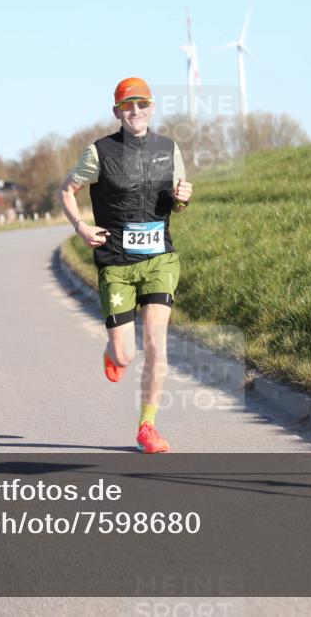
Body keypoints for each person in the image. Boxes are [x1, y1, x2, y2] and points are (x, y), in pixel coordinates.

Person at [59, 77, 193, 453]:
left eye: (142, 104)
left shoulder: (169, 148)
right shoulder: (99, 152)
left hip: (159, 260)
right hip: (116, 262)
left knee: (155, 343)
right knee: (125, 354)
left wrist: (183, 198)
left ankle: (147, 427)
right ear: (117, 111)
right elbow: (67, 189)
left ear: (152, 107)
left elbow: (177, 200)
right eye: (127, 105)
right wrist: (80, 226)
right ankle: (112, 353)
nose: (136, 111)